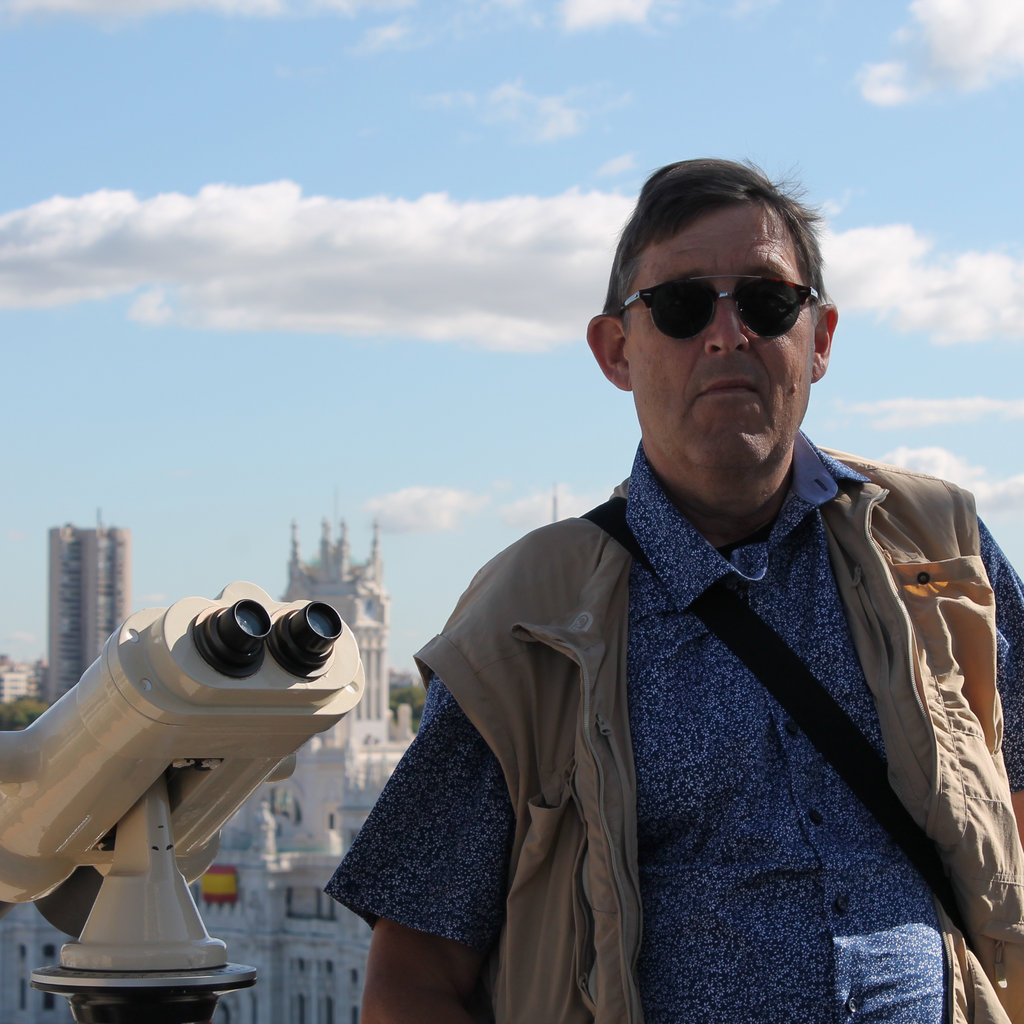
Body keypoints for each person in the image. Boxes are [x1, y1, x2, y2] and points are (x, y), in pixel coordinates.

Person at [326, 159, 1024, 1023]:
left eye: (767, 301)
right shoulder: (524, 621)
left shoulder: (936, 547)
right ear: (616, 351)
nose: (728, 335)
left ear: (820, 339)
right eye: (683, 306)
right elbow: (414, 975)